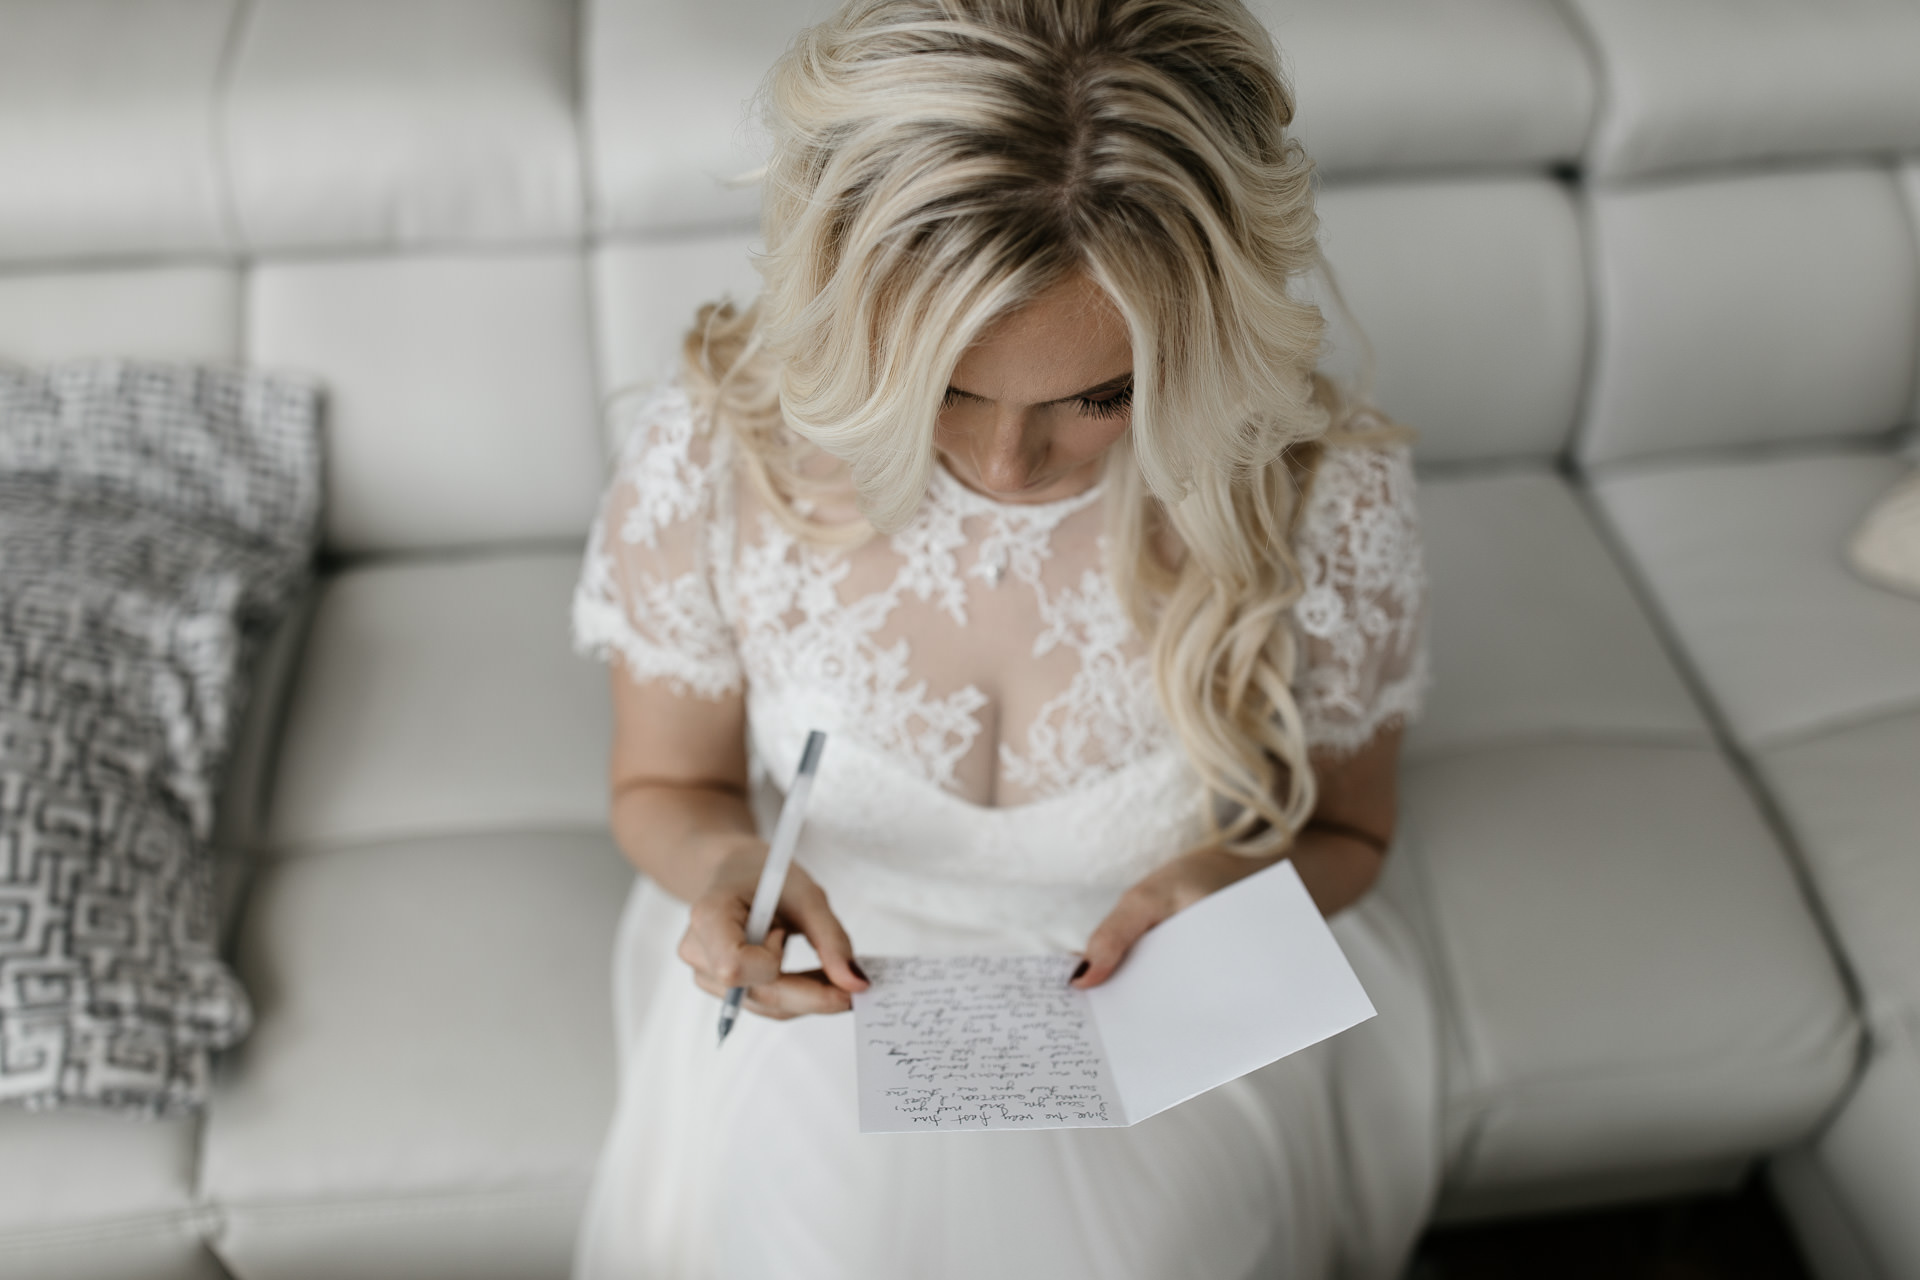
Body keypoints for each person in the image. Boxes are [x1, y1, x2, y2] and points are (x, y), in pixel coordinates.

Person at [570, 1, 1438, 1275]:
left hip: (1167, 1004)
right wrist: (725, 875)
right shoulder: (716, 450)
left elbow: (1354, 832)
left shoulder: (1319, 492)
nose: (1003, 461)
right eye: (946, 390)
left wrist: (1233, 886)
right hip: (829, 982)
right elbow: (667, 783)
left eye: (1101, 395)